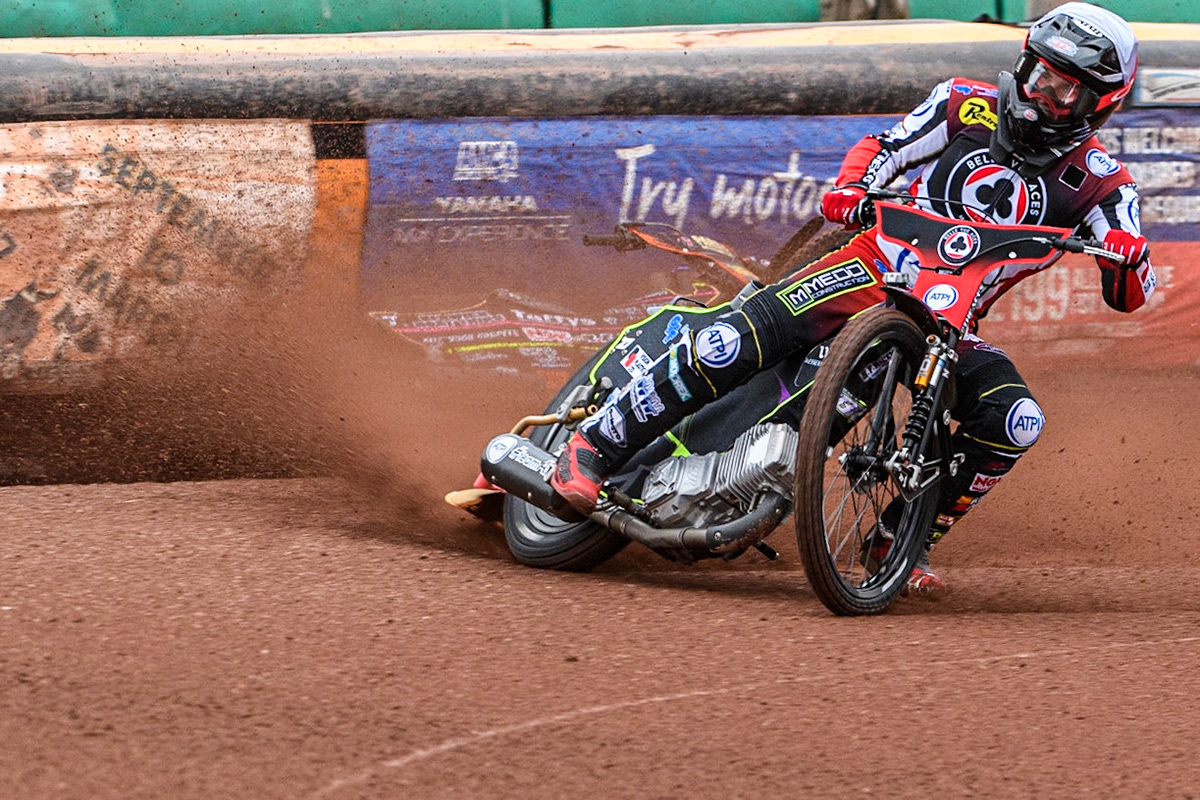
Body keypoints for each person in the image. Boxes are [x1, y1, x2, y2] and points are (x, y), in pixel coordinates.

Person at [551, 2, 1156, 592]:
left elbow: (1130, 286)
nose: (1039, 95)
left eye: (1062, 89)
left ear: (1098, 103)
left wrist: (1130, 255)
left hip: (948, 321)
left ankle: (901, 539)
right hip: (872, 264)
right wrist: (852, 187)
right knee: (729, 339)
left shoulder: (1104, 181)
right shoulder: (963, 103)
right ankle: (593, 446)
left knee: (1016, 421)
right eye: (1037, 74)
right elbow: (884, 147)